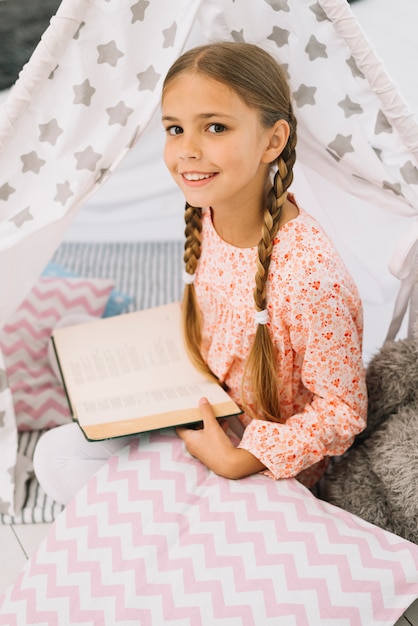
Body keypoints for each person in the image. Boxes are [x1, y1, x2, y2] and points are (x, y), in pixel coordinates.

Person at [34, 41, 367, 506]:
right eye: (175, 128)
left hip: (257, 464)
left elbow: (343, 410)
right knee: (65, 418)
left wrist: (238, 459)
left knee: (62, 459)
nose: (187, 150)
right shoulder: (208, 215)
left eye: (215, 127)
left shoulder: (310, 276)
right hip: (202, 402)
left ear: (273, 141)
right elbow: (218, 317)